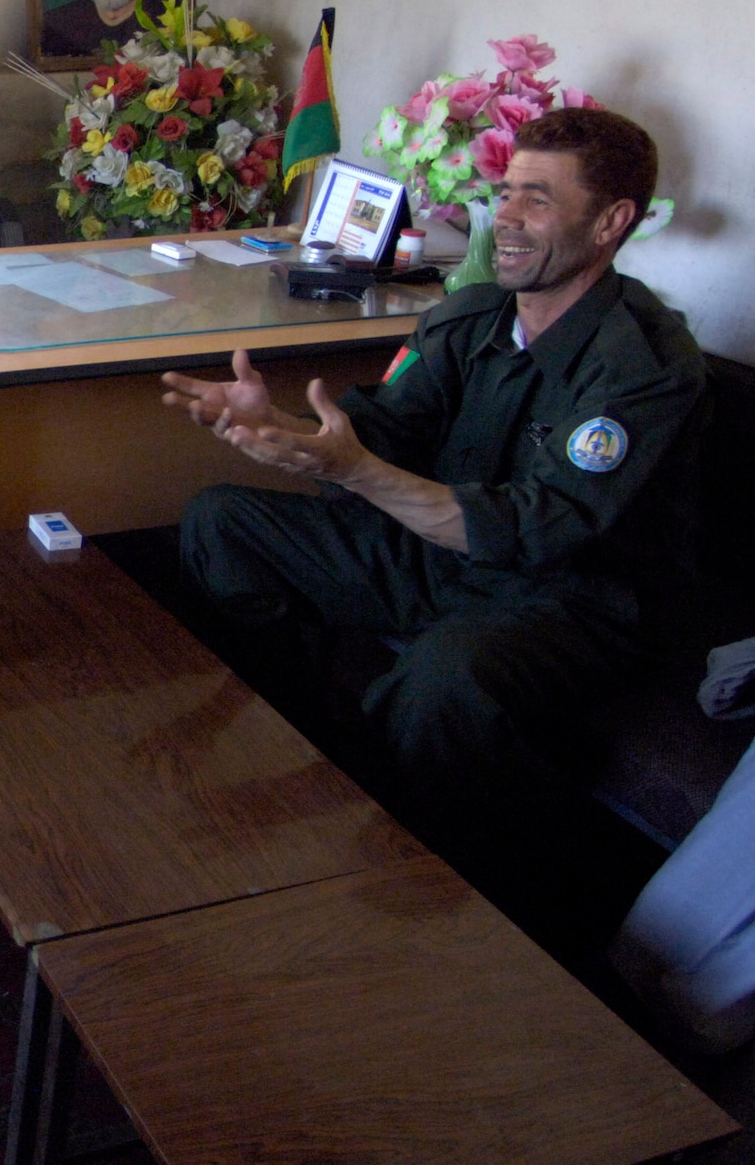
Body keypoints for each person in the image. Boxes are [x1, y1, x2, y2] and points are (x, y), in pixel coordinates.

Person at [161, 108, 708, 932]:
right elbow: (377, 435)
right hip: (432, 559)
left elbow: (540, 531)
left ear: (611, 223)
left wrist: (357, 470)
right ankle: (307, 750)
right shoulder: (471, 316)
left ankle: (415, 893)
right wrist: (290, 438)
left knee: (441, 683)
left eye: (538, 199)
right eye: (506, 191)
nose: (508, 219)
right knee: (221, 522)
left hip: (564, 601)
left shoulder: (645, 366)